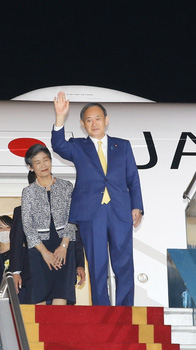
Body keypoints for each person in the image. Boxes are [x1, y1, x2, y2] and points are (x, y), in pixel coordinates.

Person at [52, 91, 144, 306]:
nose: (94, 123)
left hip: (120, 211)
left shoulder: (123, 145)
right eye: (89, 120)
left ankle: (124, 308)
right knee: (97, 264)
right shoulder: (77, 147)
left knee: (124, 263)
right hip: (91, 214)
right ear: (83, 124)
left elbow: (133, 178)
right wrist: (59, 118)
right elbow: (58, 145)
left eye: (98, 119)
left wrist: (137, 206)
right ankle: (102, 309)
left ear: (106, 120)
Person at [21, 144, 78, 305]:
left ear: (51, 162)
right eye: (37, 162)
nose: (43, 165)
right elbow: (27, 225)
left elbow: (72, 217)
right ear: (30, 167)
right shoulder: (28, 192)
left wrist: (64, 246)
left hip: (64, 246)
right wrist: (44, 252)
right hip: (39, 249)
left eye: (45, 160)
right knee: (40, 296)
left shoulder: (66, 186)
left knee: (61, 294)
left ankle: (59, 331)